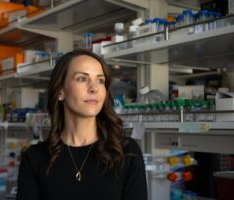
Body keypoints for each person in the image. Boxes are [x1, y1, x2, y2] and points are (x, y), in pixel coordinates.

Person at [17, 49, 147, 200]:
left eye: (100, 80)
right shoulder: (35, 158)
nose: (94, 88)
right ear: (60, 91)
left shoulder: (125, 152)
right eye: (82, 79)